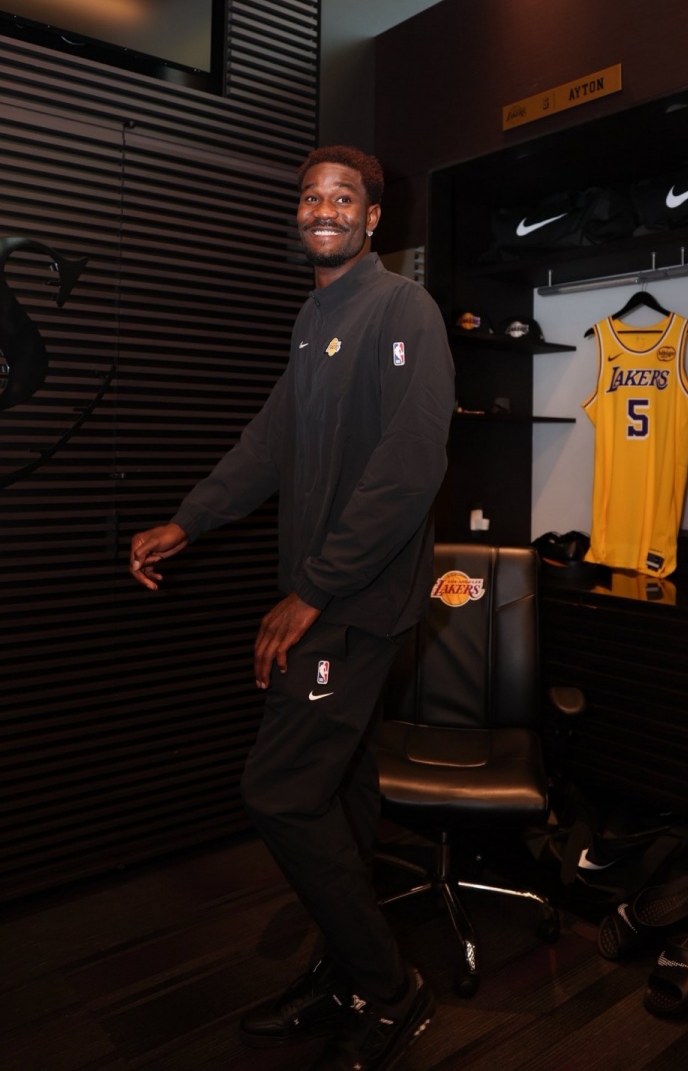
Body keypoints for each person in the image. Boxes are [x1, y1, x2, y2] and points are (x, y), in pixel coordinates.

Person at [129, 145, 455, 1070]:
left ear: (373, 217)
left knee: (278, 792)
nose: (323, 209)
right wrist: (189, 520)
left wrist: (313, 590)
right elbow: (269, 442)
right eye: (311, 196)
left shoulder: (403, 310)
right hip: (331, 595)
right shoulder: (315, 320)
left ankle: (390, 989)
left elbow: (410, 466)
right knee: (342, 795)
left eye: (343, 197)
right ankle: (345, 972)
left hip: (353, 602)